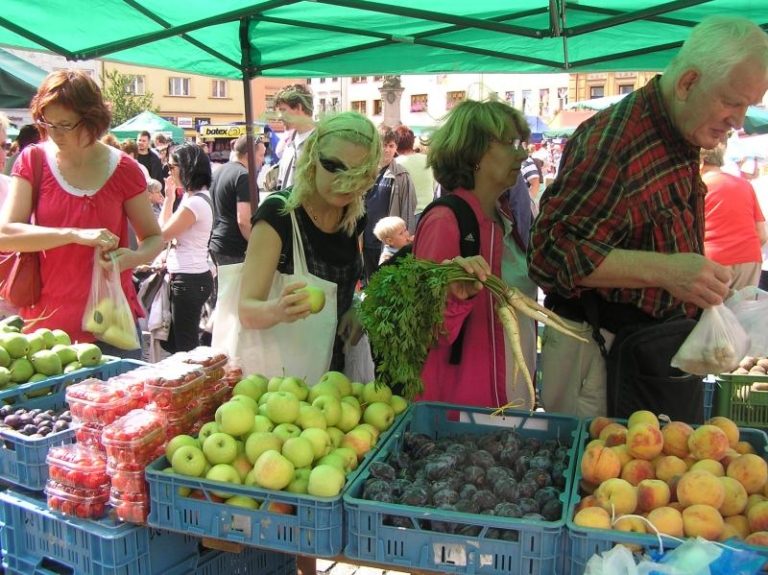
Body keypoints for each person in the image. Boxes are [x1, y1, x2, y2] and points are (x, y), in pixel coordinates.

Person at [528, 16, 768, 418]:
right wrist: (666, 271)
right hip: (600, 361)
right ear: (688, 82)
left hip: (649, 354)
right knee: (595, 476)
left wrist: (698, 281)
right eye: (731, 101)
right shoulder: (612, 142)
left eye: (748, 105)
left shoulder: (681, 129)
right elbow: (548, 253)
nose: (738, 121)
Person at [0, 69, 163, 356]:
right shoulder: (33, 160)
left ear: (91, 120)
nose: (54, 133)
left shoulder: (123, 168)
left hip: (112, 326)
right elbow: (6, 233)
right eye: (47, 122)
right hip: (46, 332)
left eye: (65, 125)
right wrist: (74, 235)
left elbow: (153, 238)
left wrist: (134, 257)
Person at [413, 99, 537, 410]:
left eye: (523, 143)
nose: (523, 153)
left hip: (508, 398)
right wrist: (459, 296)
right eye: (511, 143)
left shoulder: (504, 219)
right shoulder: (446, 221)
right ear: (475, 152)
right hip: (464, 410)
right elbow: (426, 327)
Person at [239, 111, 381, 377]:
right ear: (314, 157)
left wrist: (356, 306)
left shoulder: (354, 215)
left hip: (334, 377)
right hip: (280, 381)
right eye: (333, 166)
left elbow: (346, 285)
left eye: (358, 173)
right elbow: (247, 309)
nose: (344, 182)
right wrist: (277, 310)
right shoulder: (278, 215)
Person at [158, 144, 214, 353]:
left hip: (189, 278)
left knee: (185, 346)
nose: (169, 171)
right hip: (190, 276)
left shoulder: (194, 203)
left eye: (171, 166)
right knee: (180, 342)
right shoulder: (193, 198)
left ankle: (194, 382)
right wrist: (169, 198)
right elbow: (165, 229)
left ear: (186, 167)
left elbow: (162, 234)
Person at [701, 144, 766, 290]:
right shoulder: (745, 185)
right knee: (745, 311)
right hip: (750, 258)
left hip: (713, 260)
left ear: (701, 162)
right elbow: (761, 234)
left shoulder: (699, 188)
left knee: (713, 312)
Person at [362, 127, 417, 283]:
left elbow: (408, 209)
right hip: (366, 239)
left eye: (391, 146)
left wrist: (405, 242)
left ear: (396, 149)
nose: (387, 150)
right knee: (368, 283)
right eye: (383, 145)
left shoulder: (401, 175)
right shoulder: (364, 172)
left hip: (389, 243)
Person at [209, 135, 265, 266]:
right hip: (235, 249)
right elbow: (244, 221)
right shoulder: (244, 177)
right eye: (261, 155)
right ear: (249, 155)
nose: (262, 161)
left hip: (217, 243)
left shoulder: (218, 171)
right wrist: (259, 247)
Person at [274, 84, 315, 191]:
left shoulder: (323, 143)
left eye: (283, 110)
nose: (279, 116)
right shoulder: (288, 145)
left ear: (298, 107)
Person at [394, 125, 435, 218]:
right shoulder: (427, 160)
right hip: (428, 212)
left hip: (407, 215)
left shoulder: (396, 164)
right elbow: (434, 185)